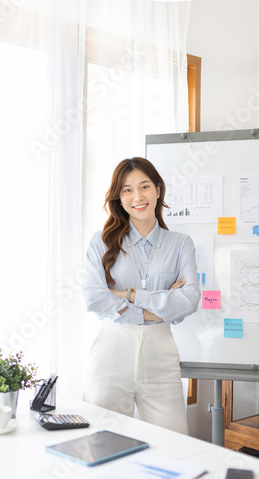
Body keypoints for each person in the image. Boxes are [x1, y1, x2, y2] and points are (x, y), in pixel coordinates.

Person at [82, 157, 200, 434]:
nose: (138, 196)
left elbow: (189, 300)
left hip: (160, 354)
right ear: (119, 198)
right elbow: (95, 298)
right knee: (104, 442)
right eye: (127, 189)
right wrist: (161, 303)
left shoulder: (181, 243)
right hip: (111, 350)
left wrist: (128, 295)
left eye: (145, 186)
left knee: (172, 442)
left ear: (158, 190)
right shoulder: (101, 241)